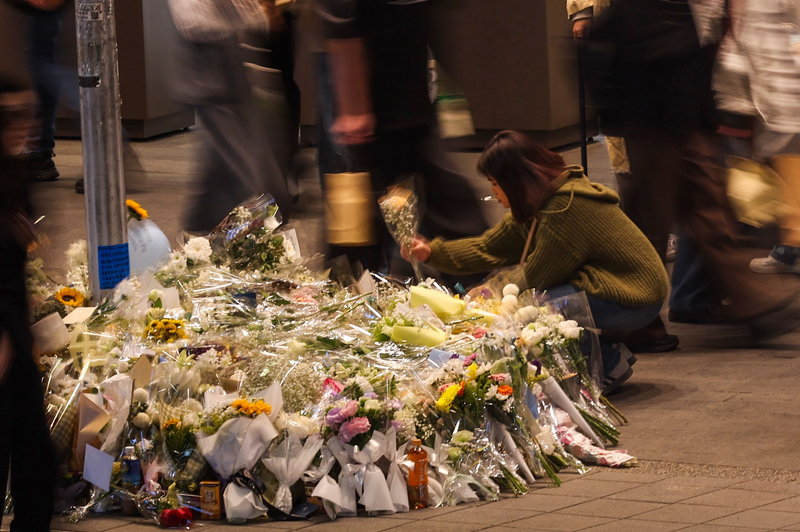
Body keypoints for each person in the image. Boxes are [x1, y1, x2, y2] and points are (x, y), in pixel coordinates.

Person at [586, 0, 800, 338]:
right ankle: (634, 319)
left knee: (707, 201)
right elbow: (647, 45)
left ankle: (744, 299)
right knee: (652, 218)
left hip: (681, 109)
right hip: (652, 113)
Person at [405, 131, 670, 393]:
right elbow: (487, 247)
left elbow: (535, 276)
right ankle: (605, 352)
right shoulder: (537, 203)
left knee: (540, 301)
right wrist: (431, 252)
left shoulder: (563, 208)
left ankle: (607, 364)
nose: (493, 192)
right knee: (539, 297)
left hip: (636, 297)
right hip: (612, 284)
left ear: (515, 181)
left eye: (495, 182)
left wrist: (485, 294)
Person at [316, 0, 490, 282]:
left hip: (408, 82)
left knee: (434, 195)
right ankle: (343, 289)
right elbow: (340, 19)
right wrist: (353, 105)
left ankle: (474, 280)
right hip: (373, 90)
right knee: (360, 209)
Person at [566, 0, 679, 353]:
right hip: (646, 62)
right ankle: (634, 317)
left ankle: (647, 311)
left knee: (657, 192)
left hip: (662, 55)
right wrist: (583, 11)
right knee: (643, 193)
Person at [168, 0, 292, 233]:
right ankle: (211, 236)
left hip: (229, 45)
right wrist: (260, 12)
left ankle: (201, 232)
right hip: (209, 49)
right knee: (248, 172)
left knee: (231, 161)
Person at [0, 72, 57, 532]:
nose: (23, 124)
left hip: (14, 336)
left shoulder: (13, 171)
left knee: (36, 462)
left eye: (27, 114)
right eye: (9, 116)